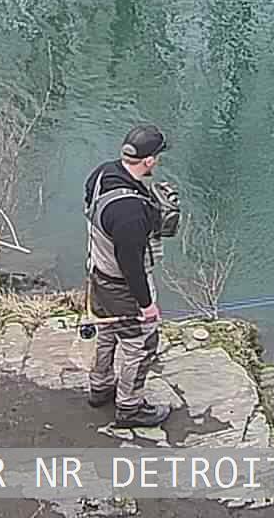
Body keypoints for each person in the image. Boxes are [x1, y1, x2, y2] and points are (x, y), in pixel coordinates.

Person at [84, 123, 178, 427]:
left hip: (98, 275)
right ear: (148, 161)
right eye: (158, 157)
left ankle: (100, 387)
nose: (158, 161)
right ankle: (129, 407)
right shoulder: (130, 212)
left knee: (107, 331)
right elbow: (131, 265)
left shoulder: (102, 174)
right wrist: (146, 305)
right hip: (122, 286)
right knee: (141, 345)